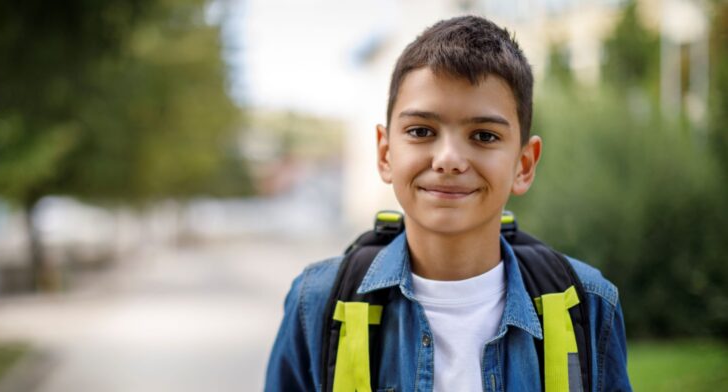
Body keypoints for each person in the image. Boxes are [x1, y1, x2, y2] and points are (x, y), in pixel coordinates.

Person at [265, 15, 630, 391]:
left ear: (524, 165)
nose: (449, 159)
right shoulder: (317, 302)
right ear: (386, 153)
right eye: (421, 131)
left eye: (484, 136)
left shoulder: (589, 304)